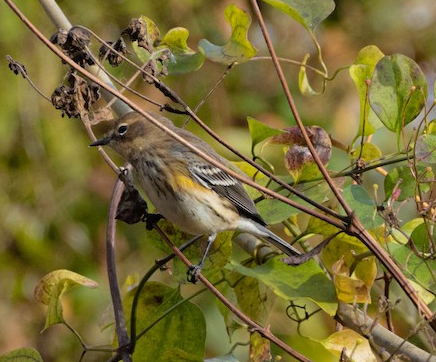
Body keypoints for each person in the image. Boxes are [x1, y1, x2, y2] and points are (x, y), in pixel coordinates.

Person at [91, 111, 299, 279]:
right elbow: (176, 206)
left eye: (121, 131)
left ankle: (200, 264)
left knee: (211, 233)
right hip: (199, 210)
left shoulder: (178, 152)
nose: (112, 140)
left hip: (225, 212)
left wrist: (199, 265)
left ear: (143, 128)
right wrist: (159, 214)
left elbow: (227, 189)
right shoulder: (143, 164)